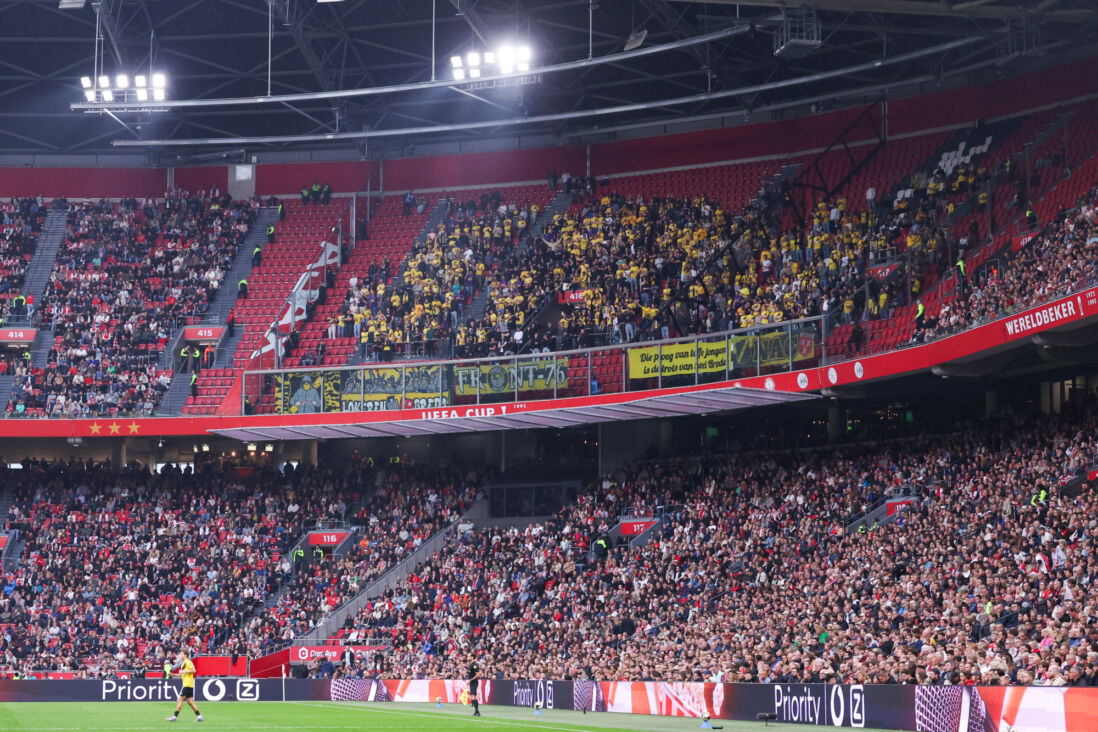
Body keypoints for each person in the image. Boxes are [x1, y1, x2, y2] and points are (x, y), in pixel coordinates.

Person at [165, 650, 204, 722]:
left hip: (187, 684)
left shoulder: (188, 662)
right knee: (190, 702)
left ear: (186, 655)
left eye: (182, 654)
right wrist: (172, 674)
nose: (180, 655)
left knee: (180, 699)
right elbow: (181, 675)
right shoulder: (183, 663)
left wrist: (185, 671)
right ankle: (199, 716)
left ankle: (174, 717)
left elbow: (194, 670)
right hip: (188, 684)